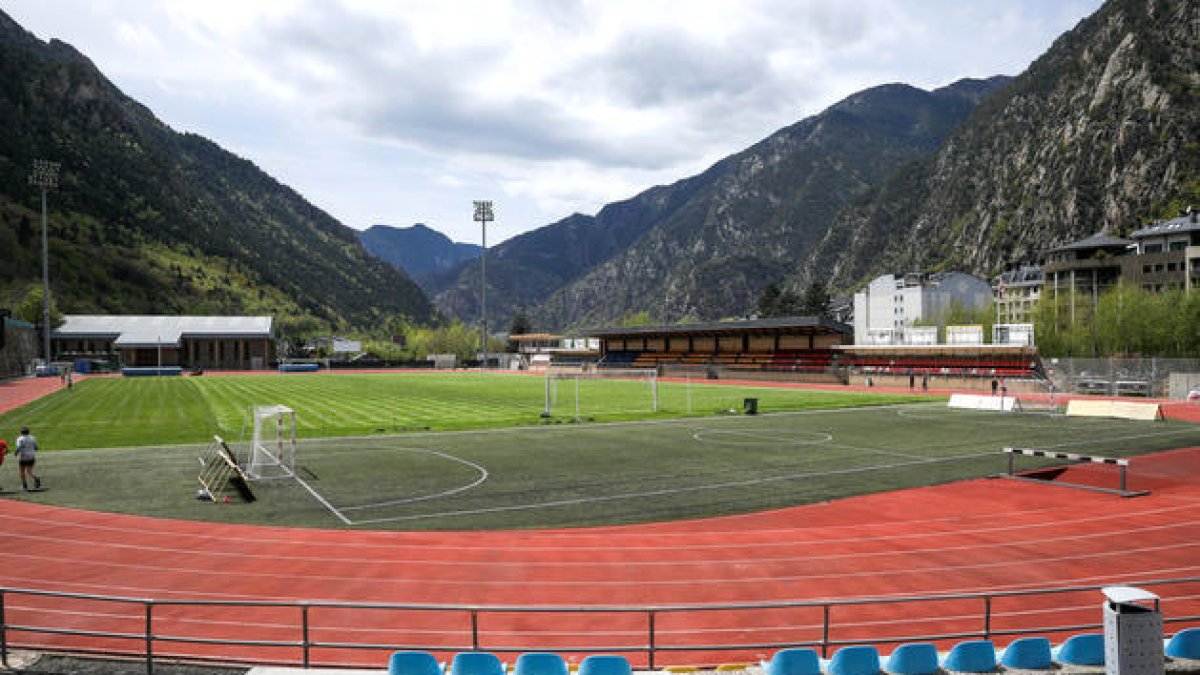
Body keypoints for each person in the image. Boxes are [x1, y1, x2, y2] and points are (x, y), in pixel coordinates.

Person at [14, 427, 42, 491]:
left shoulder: (20, 438)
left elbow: (19, 447)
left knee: (22, 472)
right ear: (28, 432)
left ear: (21, 432)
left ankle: (24, 486)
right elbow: (36, 448)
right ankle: (36, 478)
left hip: (23, 457)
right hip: (32, 456)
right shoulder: (33, 438)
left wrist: (16, 452)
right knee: (29, 471)